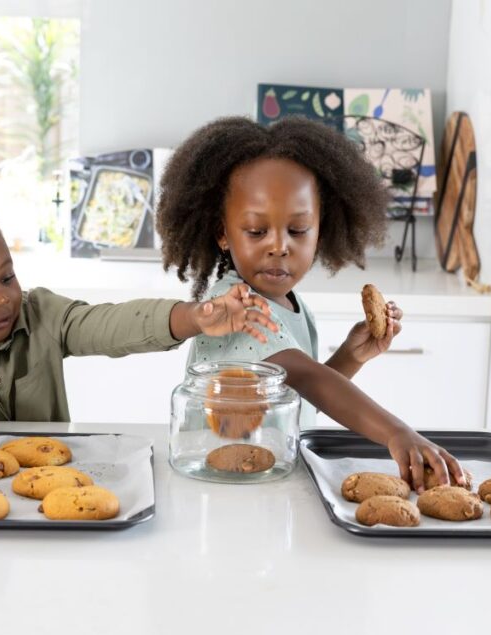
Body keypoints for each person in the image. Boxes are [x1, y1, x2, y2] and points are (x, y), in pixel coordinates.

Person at [0, 130, 277, 438]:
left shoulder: (41, 316)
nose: (0, 298)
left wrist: (196, 316)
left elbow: (108, 324)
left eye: (7, 276)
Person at [156, 116, 464, 491]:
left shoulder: (289, 302)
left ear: (322, 229)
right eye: (256, 231)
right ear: (222, 232)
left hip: (269, 477)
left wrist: (351, 357)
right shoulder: (238, 307)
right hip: (221, 485)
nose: (279, 245)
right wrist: (397, 433)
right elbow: (307, 378)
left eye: (298, 230)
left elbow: (297, 392)